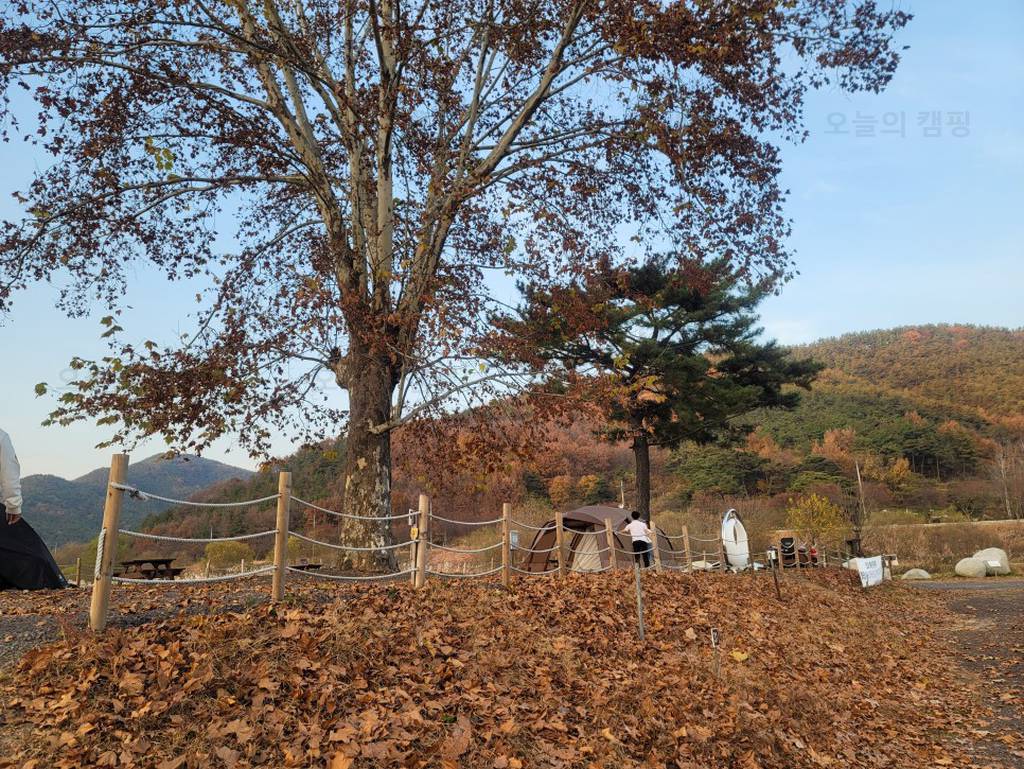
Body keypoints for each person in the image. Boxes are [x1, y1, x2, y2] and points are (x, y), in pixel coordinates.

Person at [0, 428, 67, 590]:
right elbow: (9, 473)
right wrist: (13, 505)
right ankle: (49, 584)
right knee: (32, 551)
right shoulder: (1, 436)